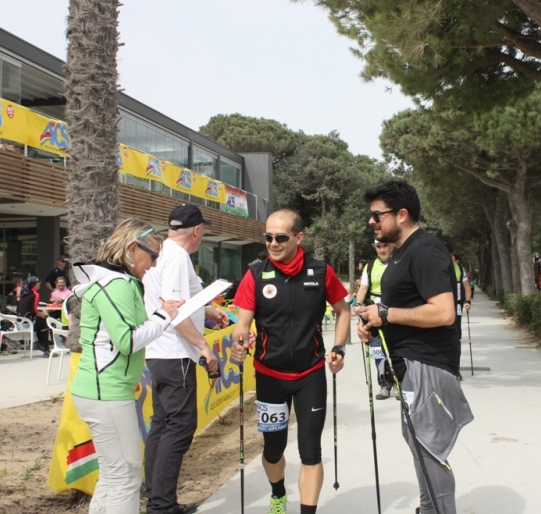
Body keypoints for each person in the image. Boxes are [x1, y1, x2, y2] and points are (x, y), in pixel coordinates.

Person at [356, 180, 473, 514]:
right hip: (411, 365)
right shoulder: (401, 253)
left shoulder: (425, 250)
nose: (372, 222)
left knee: (429, 446)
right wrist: (375, 324)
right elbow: (400, 311)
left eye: (377, 215)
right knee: (418, 441)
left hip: (429, 366)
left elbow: (443, 312)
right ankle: (427, 508)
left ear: (402, 215)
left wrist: (386, 314)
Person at [230, 209, 349, 514]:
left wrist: (339, 347)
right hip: (270, 376)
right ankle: (279, 494)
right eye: (268, 237)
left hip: (310, 374)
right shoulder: (255, 274)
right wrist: (238, 342)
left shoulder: (320, 272)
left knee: (310, 451)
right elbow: (242, 324)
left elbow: (343, 310)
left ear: (299, 237)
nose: (272, 243)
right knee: (273, 451)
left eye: (280, 237)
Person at [70, 218, 183, 514]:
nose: (155, 264)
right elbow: (127, 341)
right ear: (133, 248)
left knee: (114, 473)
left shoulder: (117, 281)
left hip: (103, 391)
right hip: (106, 392)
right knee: (127, 476)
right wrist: (163, 316)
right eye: (153, 255)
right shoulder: (116, 283)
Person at [143, 204, 227, 514]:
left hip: (157, 351)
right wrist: (204, 347)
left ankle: (155, 493)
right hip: (174, 351)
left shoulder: (161, 251)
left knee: (162, 425)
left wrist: (208, 310)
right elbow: (175, 314)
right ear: (197, 230)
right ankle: (161, 504)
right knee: (179, 426)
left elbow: (183, 301)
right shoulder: (178, 257)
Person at [355, 239, 395, 400]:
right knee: (377, 351)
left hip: (393, 311)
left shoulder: (398, 262)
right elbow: (363, 288)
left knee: (395, 350)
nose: (382, 250)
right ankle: (384, 385)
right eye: (379, 247)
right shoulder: (370, 266)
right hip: (373, 311)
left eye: (386, 245)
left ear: (392, 246)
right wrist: (358, 304)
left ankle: (400, 381)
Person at [16, 276, 51, 358]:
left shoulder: (23, 294)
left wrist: (40, 313)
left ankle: (39, 344)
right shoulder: (35, 294)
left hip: (19, 323)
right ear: (34, 284)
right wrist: (42, 314)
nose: (40, 283)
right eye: (38, 281)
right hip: (28, 324)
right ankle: (46, 349)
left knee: (41, 321)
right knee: (45, 321)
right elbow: (34, 311)